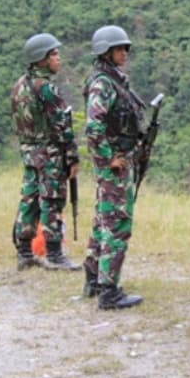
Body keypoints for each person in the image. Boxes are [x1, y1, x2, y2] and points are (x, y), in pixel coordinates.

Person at [81, 25, 145, 310]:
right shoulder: (103, 84)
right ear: (106, 52)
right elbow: (93, 127)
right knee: (117, 223)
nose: (125, 53)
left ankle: (94, 280)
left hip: (116, 161)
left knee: (103, 220)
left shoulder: (113, 81)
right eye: (120, 49)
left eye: (125, 48)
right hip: (114, 164)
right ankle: (109, 290)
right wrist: (109, 157)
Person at [10, 33, 80, 271]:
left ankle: (24, 251)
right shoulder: (46, 88)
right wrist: (72, 155)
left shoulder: (19, 85)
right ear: (41, 58)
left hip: (29, 151)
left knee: (29, 200)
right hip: (49, 152)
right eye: (53, 54)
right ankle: (54, 253)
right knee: (52, 200)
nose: (58, 58)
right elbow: (61, 124)